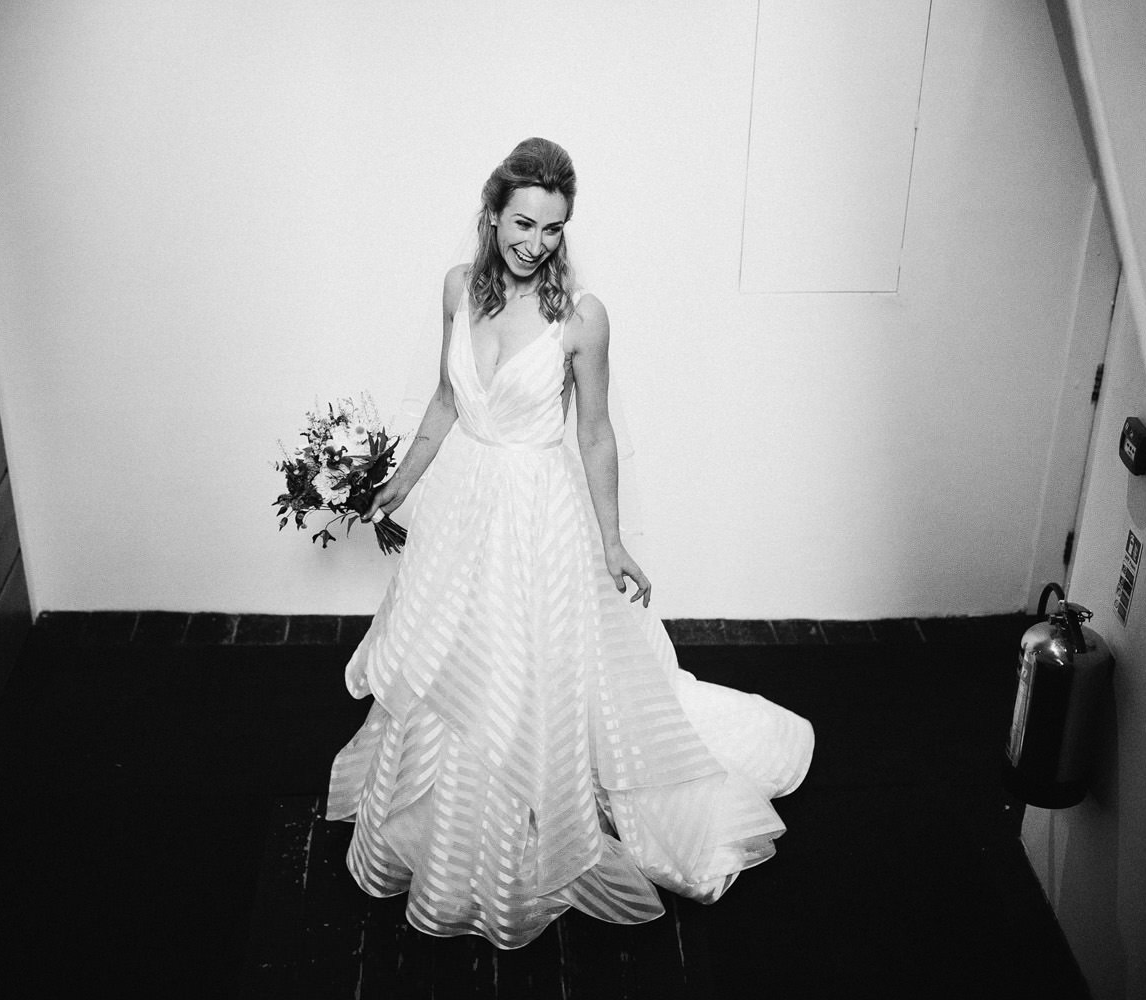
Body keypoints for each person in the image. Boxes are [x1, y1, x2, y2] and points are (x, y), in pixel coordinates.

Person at [326, 137, 814, 949]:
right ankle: (444, 832)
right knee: (448, 662)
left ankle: (530, 826)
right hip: (461, 512)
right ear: (491, 213)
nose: (535, 243)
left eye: (553, 229)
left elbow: (595, 435)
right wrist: (398, 485)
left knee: (525, 673)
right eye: (523, 223)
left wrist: (613, 542)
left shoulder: (580, 317)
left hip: (536, 518)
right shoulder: (456, 289)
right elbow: (447, 401)